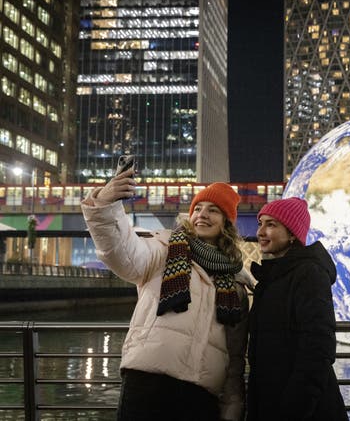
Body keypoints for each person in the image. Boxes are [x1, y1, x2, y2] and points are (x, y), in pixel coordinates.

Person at [81, 168, 252, 421]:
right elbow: (121, 252)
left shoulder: (236, 284)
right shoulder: (163, 251)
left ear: (226, 222)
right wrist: (105, 205)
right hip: (147, 384)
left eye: (213, 210)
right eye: (197, 208)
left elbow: (235, 357)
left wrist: (232, 409)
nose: (202, 215)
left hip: (200, 395)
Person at [247, 197, 348, 421]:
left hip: (303, 410)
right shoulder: (273, 277)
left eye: (271, 225)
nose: (261, 232)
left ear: (292, 234)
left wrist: (293, 409)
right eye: (260, 223)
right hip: (272, 401)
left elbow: (318, 347)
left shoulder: (309, 274)